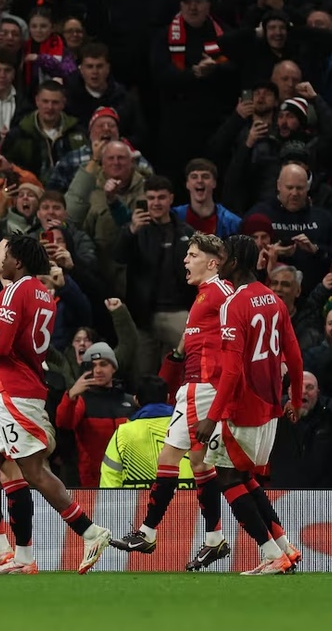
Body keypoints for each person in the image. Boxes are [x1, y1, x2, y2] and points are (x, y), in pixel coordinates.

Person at [0, 235, 111, 575]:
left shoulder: (14, 291)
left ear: (16, 261)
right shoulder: (43, 294)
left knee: (33, 472)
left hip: (17, 396)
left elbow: (0, 344)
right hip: (10, 390)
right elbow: (19, 347)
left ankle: (91, 531)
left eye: (0, 251)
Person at [112, 233, 233, 570]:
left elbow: (242, 328)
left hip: (205, 386)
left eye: (192, 255)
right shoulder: (204, 295)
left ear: (212, 263)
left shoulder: (222, 292)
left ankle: (150, 533)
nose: (185, 260)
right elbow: (193, 338)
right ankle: (212, 538)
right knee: (195, 463)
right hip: (194, 386)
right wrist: (176, 359)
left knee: (181, 460)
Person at [195, 235, 304, 575]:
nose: (218, 262)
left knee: (227, 478)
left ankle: (271, 554)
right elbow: (295, 357)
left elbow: (232, 370)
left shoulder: (234, 304)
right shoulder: (274, 300)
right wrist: (295, 399)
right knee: (243, 476)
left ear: (235, 261)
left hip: (243, 407)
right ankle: (284, 547)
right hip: (270, 406)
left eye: (223, 256)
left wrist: (212, 417)